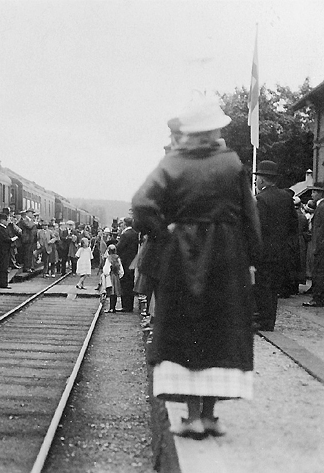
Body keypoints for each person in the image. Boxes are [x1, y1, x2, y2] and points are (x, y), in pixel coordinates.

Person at [132, 92, 261, 438]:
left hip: (181, 255)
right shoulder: (232, 164)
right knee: (220, 329)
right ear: (214, 130)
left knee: (185, 329)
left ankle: (191, 418)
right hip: (227, 256)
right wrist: (253, 258)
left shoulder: (173, 164)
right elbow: (250, 217)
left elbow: (141, 204)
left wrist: (164, 231)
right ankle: (210, 417)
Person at [252, 160, 298, 330]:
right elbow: (293, 225)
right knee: (273, 288)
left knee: (262, 286)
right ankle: (269, 319)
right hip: (281, 250)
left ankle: (263, 320)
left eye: (257, 179)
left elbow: (258, 228)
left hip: (264, 251)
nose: (256, 182)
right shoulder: (286, 197)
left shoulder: (261, 200)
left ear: (262, 179)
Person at [304, 183, 324, 307]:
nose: (312, 194)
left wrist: (318, 245)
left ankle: (317, 298)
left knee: (319, 272)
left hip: (320, 246)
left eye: (314, 192)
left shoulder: (321, 207)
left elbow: (320, 229)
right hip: (319, 244)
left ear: (321, 193)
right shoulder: (320, 206)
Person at [0, 212, 18, 288]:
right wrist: (13, 238)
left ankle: (0, 284)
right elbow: (5, 239)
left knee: (2, 267)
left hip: (4, 250)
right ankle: (3, 284)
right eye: (6, 220)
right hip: (2, 251)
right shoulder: (0, 229)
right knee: (3, 267)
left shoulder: (4, 228)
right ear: (2, 220)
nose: (7, 221)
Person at [100, 244, 123, 313]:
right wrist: (120, 275)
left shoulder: (109, 258)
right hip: (116, 276)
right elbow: (121, 268)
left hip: (110, 276)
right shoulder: (118, 258)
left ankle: (111, 308)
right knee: (115, 292)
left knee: (111, 292)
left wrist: (105, 274)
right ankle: (114, 307)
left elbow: (106, 269)